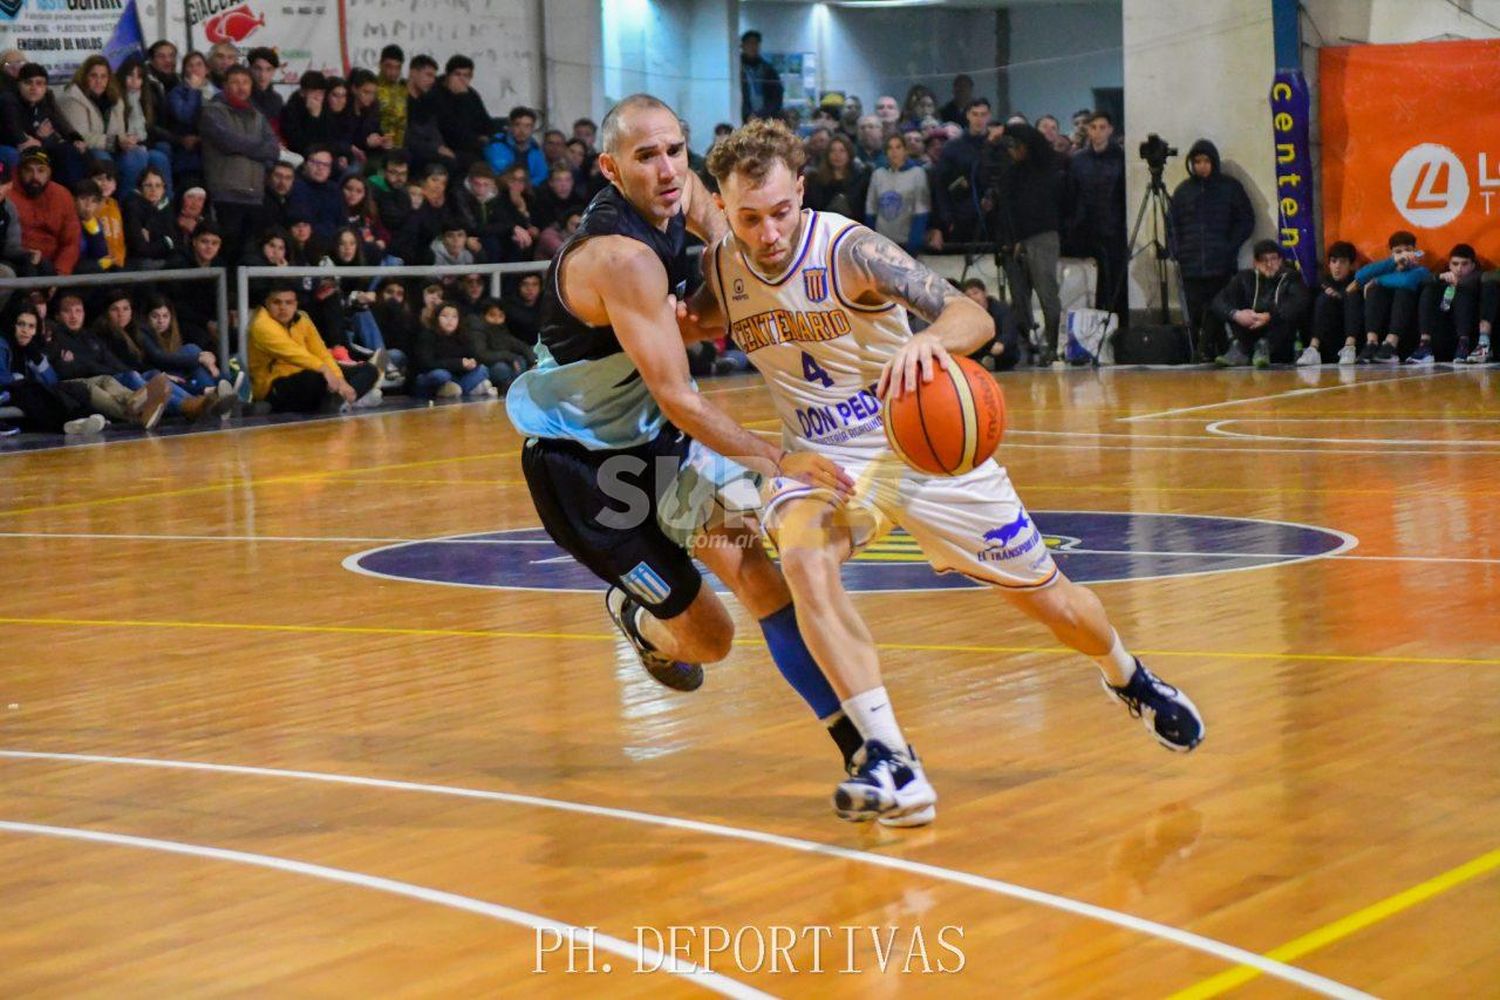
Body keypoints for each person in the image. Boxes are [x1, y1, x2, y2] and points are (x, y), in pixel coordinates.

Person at [689, 118, 1203, 825]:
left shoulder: (850, 250)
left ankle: (1127, 677)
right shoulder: (721, 265)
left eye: (781, 211)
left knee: (1053, 604)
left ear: (800, 192)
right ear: (723, 208)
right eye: (749, 217)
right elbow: (686, 322)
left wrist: (927, 342)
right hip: (821, 458)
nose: (769, 231)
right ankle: (891, 756)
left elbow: (972, 315)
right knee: (804, 564)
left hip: (914, 443)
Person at [503, 94, 863, 771]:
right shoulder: (620, 259)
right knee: (710, 641)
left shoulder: (684, 192)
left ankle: (859, 748)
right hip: (583, 471)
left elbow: (737, 254)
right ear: (612, 169)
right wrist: (775, 458)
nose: (667, 169)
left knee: (759, 574)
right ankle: (637, 617)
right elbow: (678, 398)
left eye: (675, 149)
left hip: (653, 451)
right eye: (646, 156)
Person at [1170, 139, 1254, 361]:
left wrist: (1230, 246)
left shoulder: (1230, 187)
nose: (1202, 166)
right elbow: (1172, 225)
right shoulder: (1182, 191)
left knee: (1220, 308)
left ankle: (1213, 349)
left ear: (1213, 162)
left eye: (1206, 161)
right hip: (1190, 265)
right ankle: (1206, 350)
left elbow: (1246, 219)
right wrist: (1176, 251)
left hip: (1221, 263)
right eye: (1197, 161)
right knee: (1197, 311)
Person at [249, 281, 383, 412]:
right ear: (267, 303)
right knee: (315, 378)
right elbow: (293, 353)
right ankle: (349, 400)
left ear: (296, 304)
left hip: (310, 372)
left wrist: (339, 378)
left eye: (288, 302)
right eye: (277, 302)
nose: (283, 307)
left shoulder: (302, 319)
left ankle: (347, 398)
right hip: (274, 384)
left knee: (369, 369)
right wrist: (324, 370)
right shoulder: (261, 324)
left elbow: (321, 352)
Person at [1209, 239, 1308, 368]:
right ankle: (1239, 349)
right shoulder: (1244, 278)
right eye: (1264, 260)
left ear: (1280, 260)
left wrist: (1269, 316)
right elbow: (1219, 301)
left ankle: (1264, 347)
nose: (1269, 264)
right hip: (1250, 329)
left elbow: (1299, 302)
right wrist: (1236, 314)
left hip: (1278, 338)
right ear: (1255, 263)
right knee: (1218, 307)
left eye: (1273, 259)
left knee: (1288, 312)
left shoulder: (1291, 278)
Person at [739, 31, 783, 123]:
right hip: (742, 118)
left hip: (766, 119)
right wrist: (747, 115)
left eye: (755, 43)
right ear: (742, 46)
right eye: (749, 43)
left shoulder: (769, 70)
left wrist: (761, 115)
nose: (752, 47)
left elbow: (776, 98)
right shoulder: (736, 69)